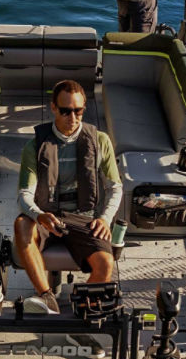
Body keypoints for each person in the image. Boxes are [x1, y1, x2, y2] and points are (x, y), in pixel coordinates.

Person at [14, 80, 123, 314]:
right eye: (65, 111)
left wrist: (104, 218)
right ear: (53, 108)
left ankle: (80, 313)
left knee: (106, 263)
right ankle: (46, 296)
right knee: (22, 224)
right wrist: (39, 215)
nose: (72, 117)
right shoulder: (34, 147)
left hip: (82, 216)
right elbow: (24, 194)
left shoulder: (100, 141)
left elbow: (115, 187)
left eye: (78, 111)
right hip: (47, 215)